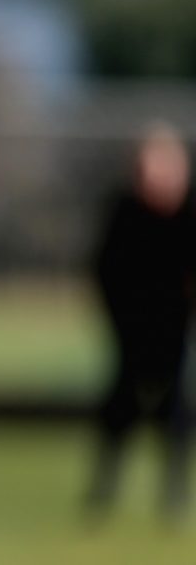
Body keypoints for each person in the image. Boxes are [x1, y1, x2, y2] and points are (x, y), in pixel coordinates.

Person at [86, 121, 196, 521]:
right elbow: (103, 270)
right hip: (132, 331)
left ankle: (175, 497)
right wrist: (119, 319)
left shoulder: (187, 213)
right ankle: (102, 494)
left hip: (175, 331)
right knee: (120, 409)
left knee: (176, 413)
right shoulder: (124, 212)